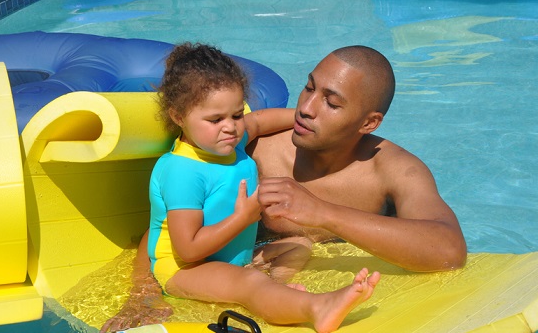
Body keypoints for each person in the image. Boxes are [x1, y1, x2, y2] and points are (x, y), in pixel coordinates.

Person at [100, 45, 466, 332]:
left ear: (368, 122)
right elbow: (167, 219)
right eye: (309, 87)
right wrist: (141, 294)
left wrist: (322, 214)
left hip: (266, 275)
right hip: (212, 277)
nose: (306, 108)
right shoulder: (251, 145)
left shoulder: (394, 171)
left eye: (331, 102)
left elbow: (449, 250)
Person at [140, 42, 380, 333]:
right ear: (178, 117)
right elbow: (188, 249)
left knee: (299, 246)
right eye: (215, 119)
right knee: (251, 283)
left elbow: (261, 120)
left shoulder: (228, 144)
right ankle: (316, 308)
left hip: (230, 259)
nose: (230, 127)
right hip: (184, 270)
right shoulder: (183, 171)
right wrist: (242, 218)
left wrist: (314, 120)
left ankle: (276, 296)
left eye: (236, 114)